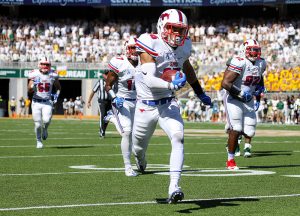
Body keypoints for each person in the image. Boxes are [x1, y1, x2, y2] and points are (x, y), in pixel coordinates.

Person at [132, 9, 211, 204]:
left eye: (180, 30)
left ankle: (174, 186)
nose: (176, 34)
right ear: (161, 26)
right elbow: (149, 79)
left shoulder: (184, 47)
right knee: (138, 148)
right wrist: (170, 84)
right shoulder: (150, 41)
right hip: (146, 105)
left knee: (178, 137)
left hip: (168, 101)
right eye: (172, 28)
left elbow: (186, 67)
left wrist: (199, 91)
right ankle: (140, 161)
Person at [221, 39, 266, 170]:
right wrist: (240, 93)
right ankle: (230, 160)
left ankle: (230, 131)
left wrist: (259, 92)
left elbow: (259, 77)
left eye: (256, 50)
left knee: (250, 131)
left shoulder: (261, 63)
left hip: (249, 99)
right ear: (244, 50)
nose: (254, 52)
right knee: (236, 128)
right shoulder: (239, 62)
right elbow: (225, 83)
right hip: (234, 98)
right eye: (251, 49)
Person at [105, 37, 139, 177]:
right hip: (123, 100)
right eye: (132, 48)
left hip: (140, 101)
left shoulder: (146, 62)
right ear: (127, 49)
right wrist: (115, 97)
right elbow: (108, 85)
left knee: (139, 135)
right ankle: (128, 167)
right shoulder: (120, 63)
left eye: (137, 48)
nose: (135, 51)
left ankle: (141, 160)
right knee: (127, 132)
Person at [28, 57, 61, 149]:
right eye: (43, 64)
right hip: (36, 102)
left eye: (47, 64)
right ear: (39, 64)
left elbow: (58, 88)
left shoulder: (53, 75)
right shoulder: (34, 74)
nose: (45, 66)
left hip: (47, 102)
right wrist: (32, 86)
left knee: (46, 120)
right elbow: (29, 90)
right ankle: (39, 141)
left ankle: (45, 129)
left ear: (50, 65)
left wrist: (56, 95)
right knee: (37, 124)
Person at [87, 71, 116, 137]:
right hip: (101, 101)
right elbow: (93, 91)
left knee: (108, 117)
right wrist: (89, 101)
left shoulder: (112, 82)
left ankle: (103, 130)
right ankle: (101, 132)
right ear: (103, 75)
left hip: (109, 101)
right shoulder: (100, 82)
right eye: (106, 74)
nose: (107, 76)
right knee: (103, 115)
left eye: (108, 74)